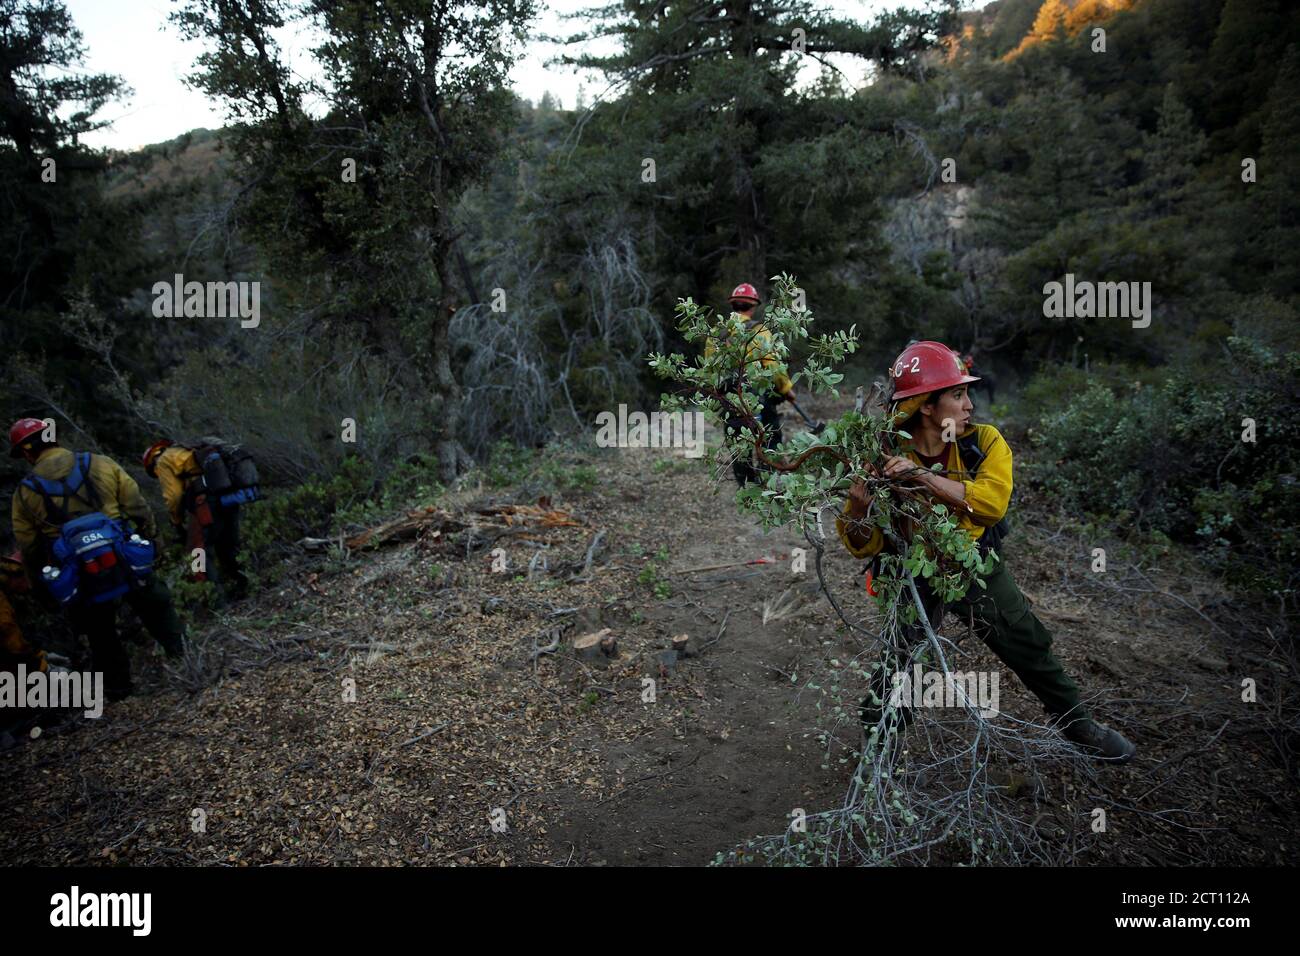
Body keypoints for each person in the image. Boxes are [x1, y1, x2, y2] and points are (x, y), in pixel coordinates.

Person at [836, 342, 1136, 762]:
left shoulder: (985, 443)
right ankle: (878, 748)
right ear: (925, 406)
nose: (969, 405)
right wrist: (857, 506)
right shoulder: (882, 454)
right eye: (957, 395)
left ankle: (1078, 724)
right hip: (913, 571)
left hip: (974, 561)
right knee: (901, 662)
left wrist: (922, 477)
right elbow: (858, 544)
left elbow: (991, 504)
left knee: (1025, 640)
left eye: (966, 393)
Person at [10, 419, 184, 700]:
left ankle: (120, 691)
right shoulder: (100, 463)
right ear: (53, 437)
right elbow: (137, 506)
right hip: (123, 558)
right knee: (156, 605)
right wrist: (154, 544)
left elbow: (29, 548)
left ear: (27, 454)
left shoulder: (25, 492)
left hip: (80, 574)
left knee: (99, 632)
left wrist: (42, 589)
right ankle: (185, 659)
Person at [706, 282, 798, 486]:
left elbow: (710, 370)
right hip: (758, 397)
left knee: (739, 443)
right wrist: (786, 389)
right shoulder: (759, 331)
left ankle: (747, 489)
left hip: (729, 399)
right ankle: (768, 482)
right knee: (770, 436)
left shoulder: (716, 333)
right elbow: (772, 365)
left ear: (733, 305)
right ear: (753, 306)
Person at [142, 439, 250, 603]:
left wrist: (176, 522)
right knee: (228, 544)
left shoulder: (162, 461)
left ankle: (214, 599)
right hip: (226, 495)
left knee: (197, 552)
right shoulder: (186, 450)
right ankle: (245, 585)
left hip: (204, 501)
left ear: (152, 462)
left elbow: (173, 497)